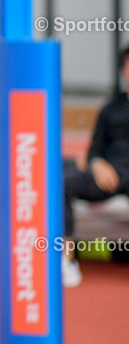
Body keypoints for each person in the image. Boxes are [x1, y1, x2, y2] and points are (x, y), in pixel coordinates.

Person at [62, 45, 129, 287]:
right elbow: (93, 151)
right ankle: (65, 260)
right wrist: (98, 164)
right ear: (123, 71)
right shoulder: (110, 109)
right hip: (108, 174)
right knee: (61, 179)